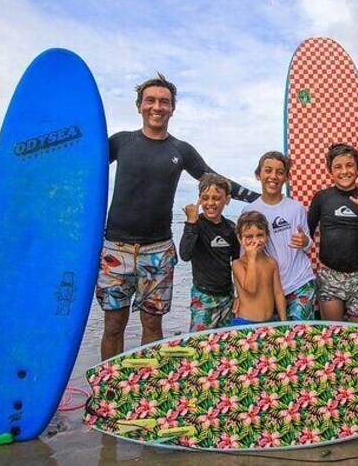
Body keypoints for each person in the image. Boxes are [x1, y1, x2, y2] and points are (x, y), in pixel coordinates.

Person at [97, 73, 259, 359]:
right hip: (115, 249)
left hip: (158, 249)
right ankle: (109, 394)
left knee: (152, 323)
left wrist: (262, 201)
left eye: (164, 102)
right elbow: (78, 164)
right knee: (113, 325)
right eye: (150, 101)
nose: (157, 107)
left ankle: (151, 389)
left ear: (172, 108)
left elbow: (217, 180)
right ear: (139, 106)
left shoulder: (180, 150)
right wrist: (14, 160)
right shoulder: (121, 142)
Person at [307, 143, 358, 324]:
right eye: (337, 167)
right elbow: (307, 235)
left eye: (349, 165)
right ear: (330, 171)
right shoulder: (322, 198)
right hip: (329, 276)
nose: (344, 171)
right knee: (334, 335)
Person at [241, 151, 316, 320]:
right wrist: (240, 295)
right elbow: (244, 254)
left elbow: (309, 244)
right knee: (273, 341)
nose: (273, 176)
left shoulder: (296, 208)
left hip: (300, 282)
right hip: (267, 287)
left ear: (286, 177)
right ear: (258, 175)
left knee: (298, 336)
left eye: (280, 172)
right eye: (268, 170)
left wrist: (305, 241)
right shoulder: (249, 211)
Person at [179, 173, 241, 332]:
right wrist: (191, 223)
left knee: (225, 342)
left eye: (216, 198)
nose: (210, 203)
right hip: (203, 296)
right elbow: (185, 255)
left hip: (227, 296)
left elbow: (237, 263)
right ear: (199, 199)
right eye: (205, 198)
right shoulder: (196, 225)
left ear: (227, 200)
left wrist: (239, 295)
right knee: (200, 343)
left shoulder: (231, 228)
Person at [231, 211, 287, 325]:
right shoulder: (238, 264)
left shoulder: (271, 262)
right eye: (249, 236)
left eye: (260, 235)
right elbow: (251, 289)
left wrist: (283, 321)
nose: (255, 241)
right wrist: (251, 259)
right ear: (240, 238)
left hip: (269, 322)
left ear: (267, 236)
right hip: (245, 322)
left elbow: (278, 293)